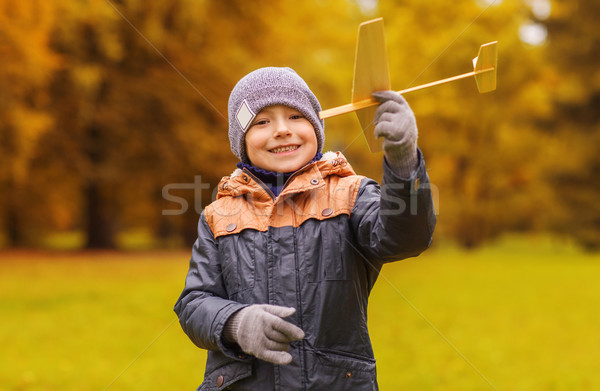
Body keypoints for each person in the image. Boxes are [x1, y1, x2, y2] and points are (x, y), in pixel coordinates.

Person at [174, 67, 436, 390]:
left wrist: (403, 160)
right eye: (262, 122)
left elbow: (405, 238)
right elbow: (194, 302)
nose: (282, 130)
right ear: (241, 140)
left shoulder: (350, 194)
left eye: (296, 116)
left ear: (316, 125)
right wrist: (235, 323)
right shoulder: (218, 214)